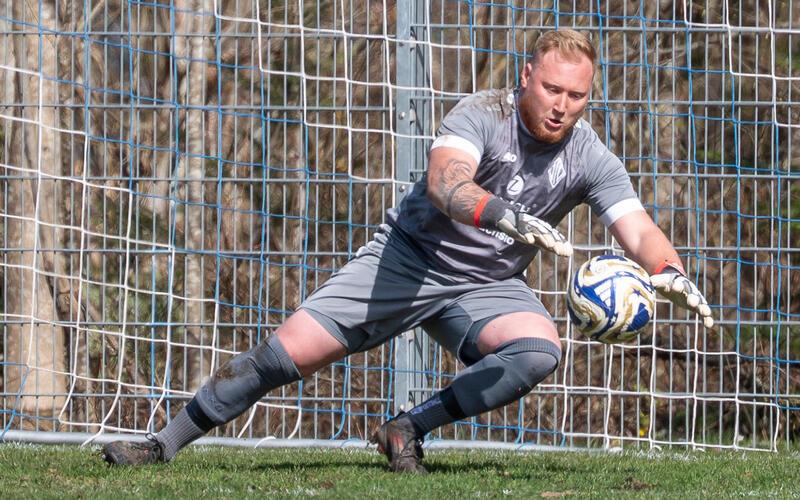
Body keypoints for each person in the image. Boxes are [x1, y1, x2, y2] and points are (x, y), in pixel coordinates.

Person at [101, 29, 713, 473]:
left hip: (485, 288)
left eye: (576, 97)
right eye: (551, 89)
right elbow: (445, 183)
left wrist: (670, 272)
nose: (560, 106)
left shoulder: (588, 154)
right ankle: (163, 443)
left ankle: (407, 429)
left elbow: (636, 229)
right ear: (526, 75)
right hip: (405, 259)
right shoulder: (481, 114)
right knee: (284, 356)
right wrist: (500, 213)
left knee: (539, 351)